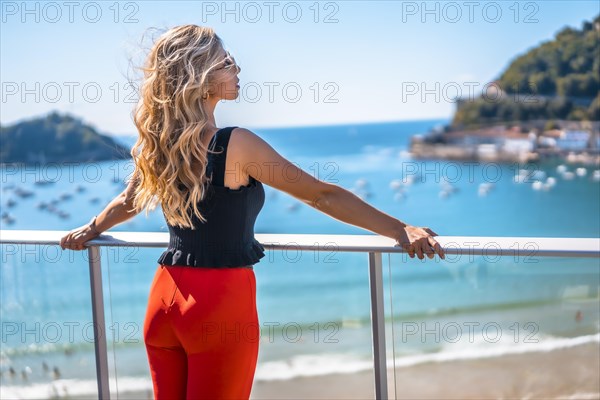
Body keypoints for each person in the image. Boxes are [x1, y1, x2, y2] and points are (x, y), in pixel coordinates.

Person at [59, 24, 445, 399]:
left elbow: (128, 202)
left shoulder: (161, 145)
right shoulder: (234, 144)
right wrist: (400, 229)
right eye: (227, 63)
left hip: (163, 304)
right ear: (202, 76)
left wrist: (89, 229)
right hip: (218, 308)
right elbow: (321, 196)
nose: (238, 69)